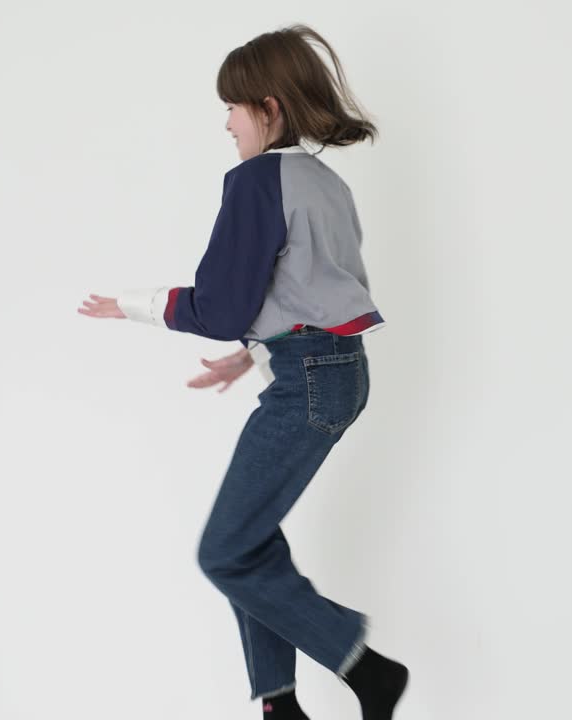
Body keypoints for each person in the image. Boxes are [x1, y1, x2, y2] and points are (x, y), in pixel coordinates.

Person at [77, 23, 410, 720]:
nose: (226, 122)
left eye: (233, 106)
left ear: (270, 106)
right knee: (250, 540)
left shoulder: (258, 180)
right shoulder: (324, 182)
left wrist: (132, 307)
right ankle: (279, 706)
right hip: (337, 370)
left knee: (225, 552)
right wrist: (254, 352)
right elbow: (317, 291)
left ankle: (365, 666)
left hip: (309, 380)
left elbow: (225, 303)